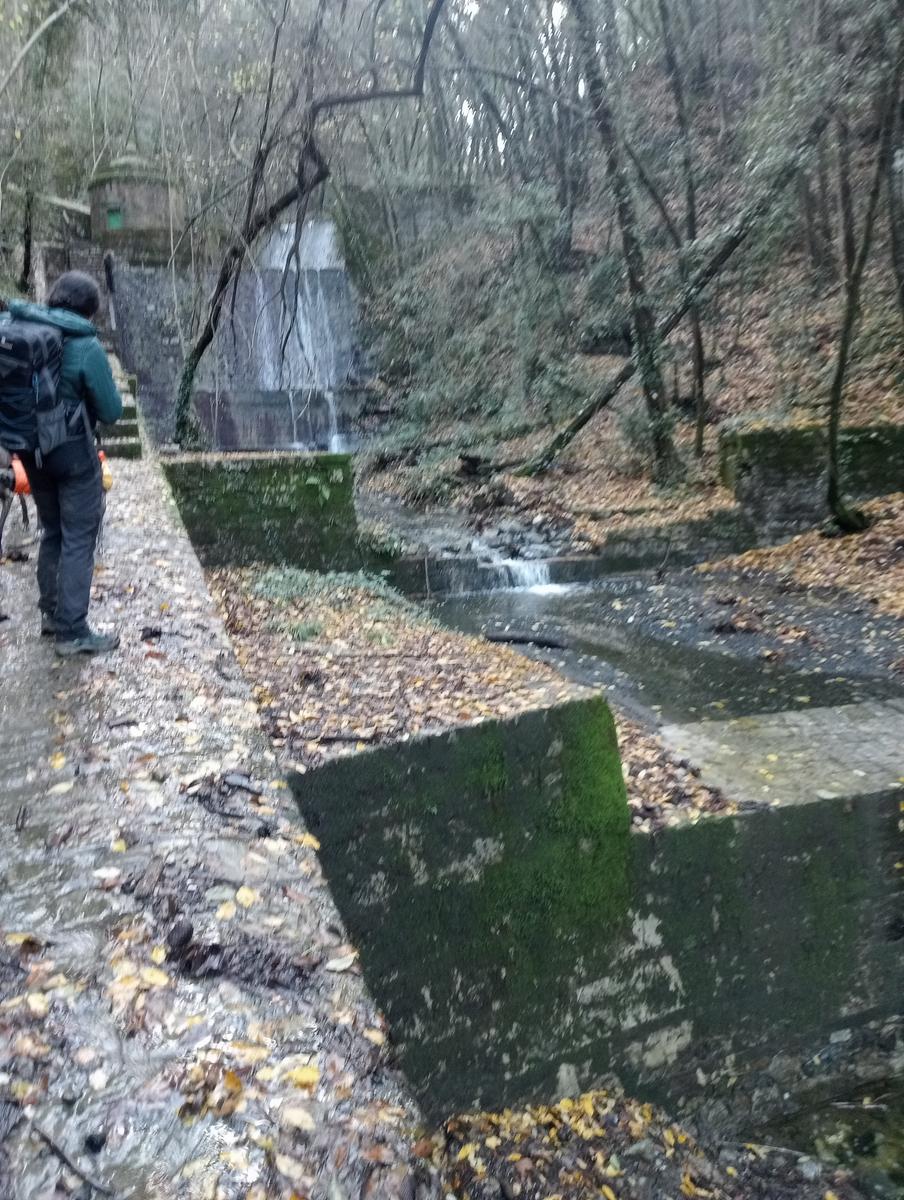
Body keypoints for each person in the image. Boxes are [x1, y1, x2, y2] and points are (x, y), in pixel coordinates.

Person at [0, 272, 123, 655]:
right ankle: (74, 630)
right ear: (89, 309)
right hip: (71, 454)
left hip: (30, 452)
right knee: (79, 536)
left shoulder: (19, 326)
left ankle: (52, 615)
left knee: (52, 530)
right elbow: (112, 410)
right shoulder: (85, 346)